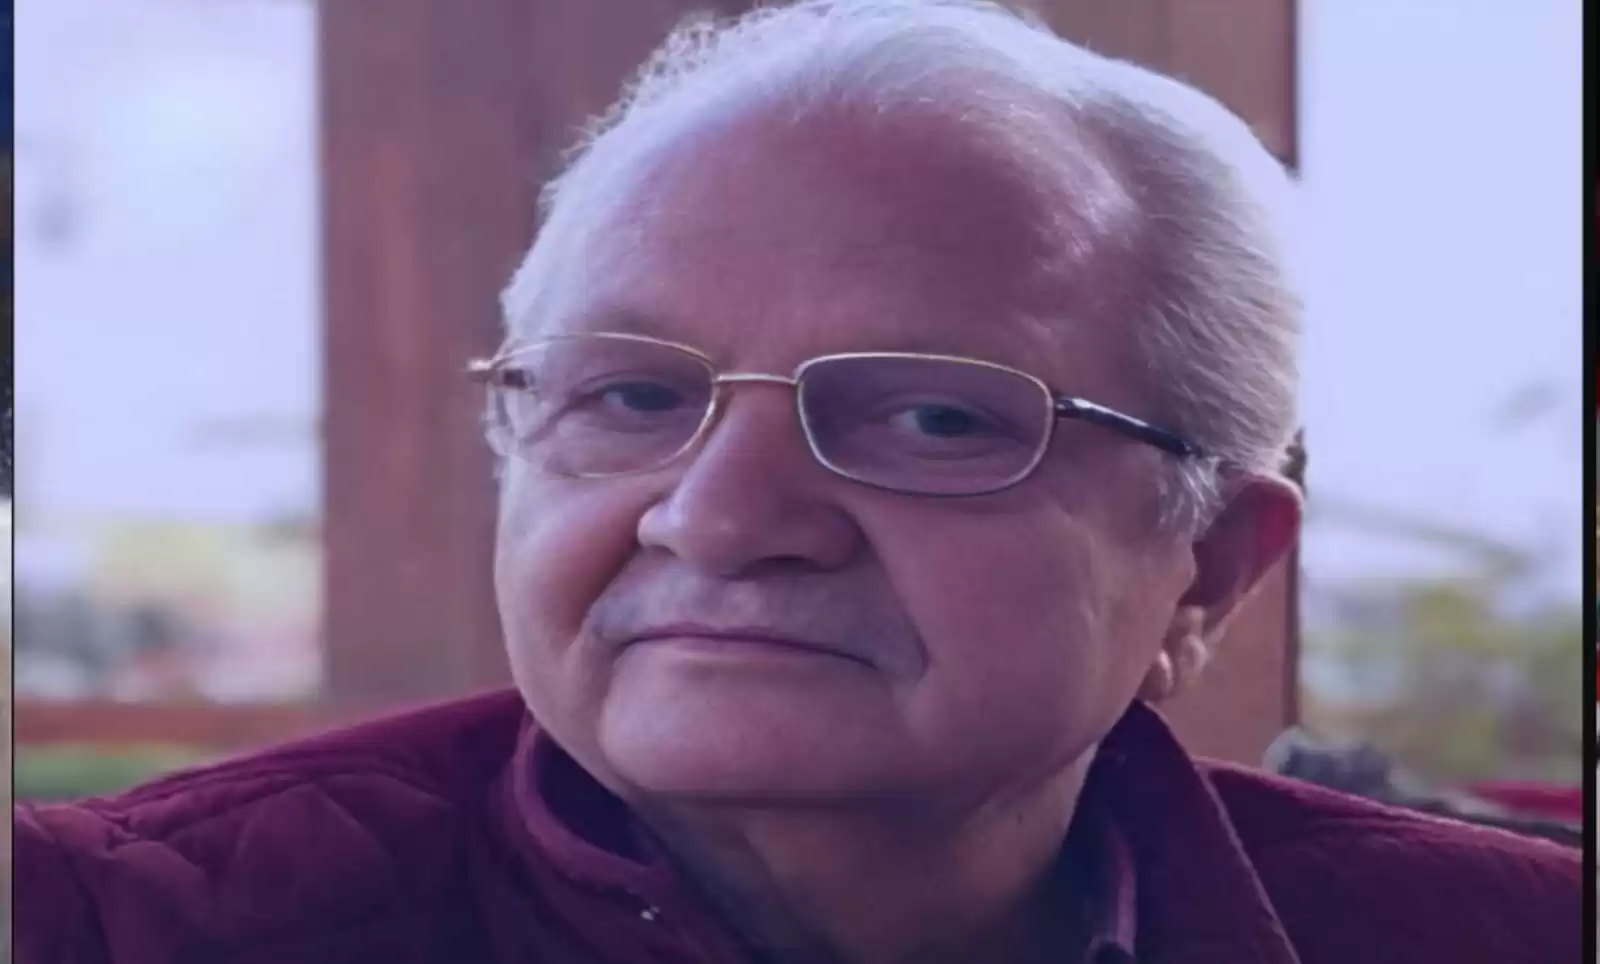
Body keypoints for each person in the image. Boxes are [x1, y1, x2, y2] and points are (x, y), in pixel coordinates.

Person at [14, 2, 1579, 962]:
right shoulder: (108, 928)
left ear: (1208, 568)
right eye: (632, 395)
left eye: (935, 420)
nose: (717, 516)